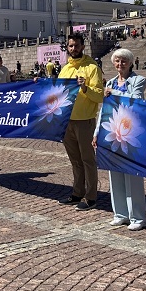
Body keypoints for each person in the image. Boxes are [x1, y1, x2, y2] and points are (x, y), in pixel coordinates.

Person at [94, 48, 146, 231]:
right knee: (114, 174)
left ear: (131, 63)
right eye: (117, 61)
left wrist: (113, 94)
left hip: (131, 133)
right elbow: (104, 111)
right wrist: (96, 133)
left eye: (124, 61)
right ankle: (120, 214)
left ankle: (138, 217)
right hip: (112, 133)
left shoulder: (138, 80)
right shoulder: (110, 82)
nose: (120, 64)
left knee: (132, 176)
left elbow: (136, 99)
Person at [57, 33, 104, 211]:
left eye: (76, 45)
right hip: (67, 121)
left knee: (87, 160)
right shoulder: (65, 68)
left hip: (84, 120)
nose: (73, 49)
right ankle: (77, 192)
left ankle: (91, 196)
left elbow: (99, 96)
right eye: (70, 46)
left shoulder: (92, 67)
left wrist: (85, 88)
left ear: (83, 46)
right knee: (75, 160)